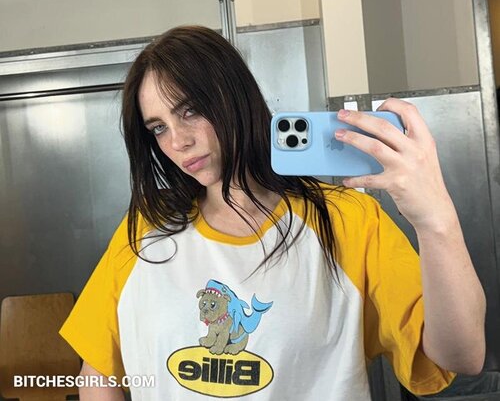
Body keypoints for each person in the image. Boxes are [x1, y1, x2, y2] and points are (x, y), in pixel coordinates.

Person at [60, 25, 486, 401]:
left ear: (234, 96)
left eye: (190, 110)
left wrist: (437, 221)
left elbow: (461, 356)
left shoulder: (347, 221)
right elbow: (98, 371)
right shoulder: (146, 231)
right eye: (158, 127)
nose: (177, 141)